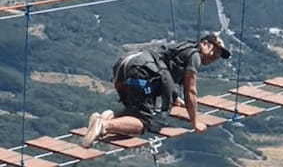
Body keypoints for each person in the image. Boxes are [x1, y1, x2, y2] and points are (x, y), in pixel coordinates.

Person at [82, 33, 231, 147]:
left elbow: (167, 71)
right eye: (215, 50)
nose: (215, 56)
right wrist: (195, 121)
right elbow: (190, 91)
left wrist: (173, 98)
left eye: (219, 55)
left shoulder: (184, 47)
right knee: (143, 122)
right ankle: (104, 125)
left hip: (127, 66)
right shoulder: (195, 56)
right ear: (204, 43)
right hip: (142, 72)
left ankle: (108, 117)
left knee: (135, 111)